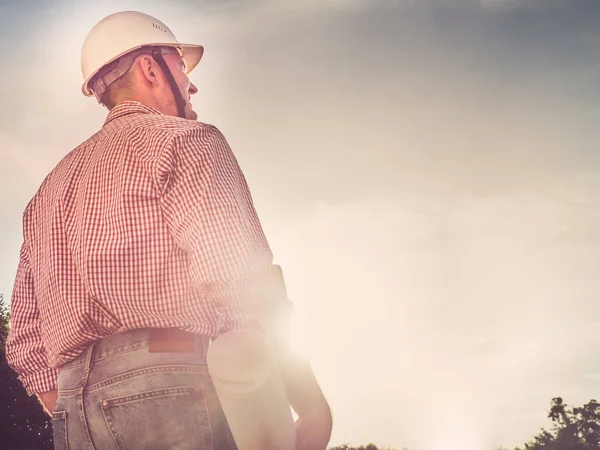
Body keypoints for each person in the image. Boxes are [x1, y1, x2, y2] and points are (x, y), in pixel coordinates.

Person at [5, 10, 332, 450]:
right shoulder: (187, 141)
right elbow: (243, 292)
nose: (192, 83)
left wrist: (80, 405)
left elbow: (25, 339)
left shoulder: (46, 194)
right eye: (181, 65)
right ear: (150, 68)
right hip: (181, 385)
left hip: (74, 412)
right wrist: (299, 408)